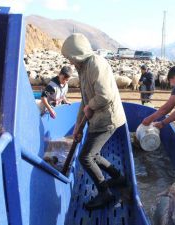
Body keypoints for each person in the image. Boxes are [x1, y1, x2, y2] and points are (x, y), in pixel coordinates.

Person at [61, 33, 126, 209]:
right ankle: (118, 177)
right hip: (98, 118)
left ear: (76, 53)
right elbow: (85, 99)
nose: (69, 61)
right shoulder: (83, 69)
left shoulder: (96, 64)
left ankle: (105, 193)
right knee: (93, 154)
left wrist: (90, 107)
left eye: (69, 57)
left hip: (107, 118)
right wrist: (77, 126)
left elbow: (105, 96)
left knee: (85, 157)